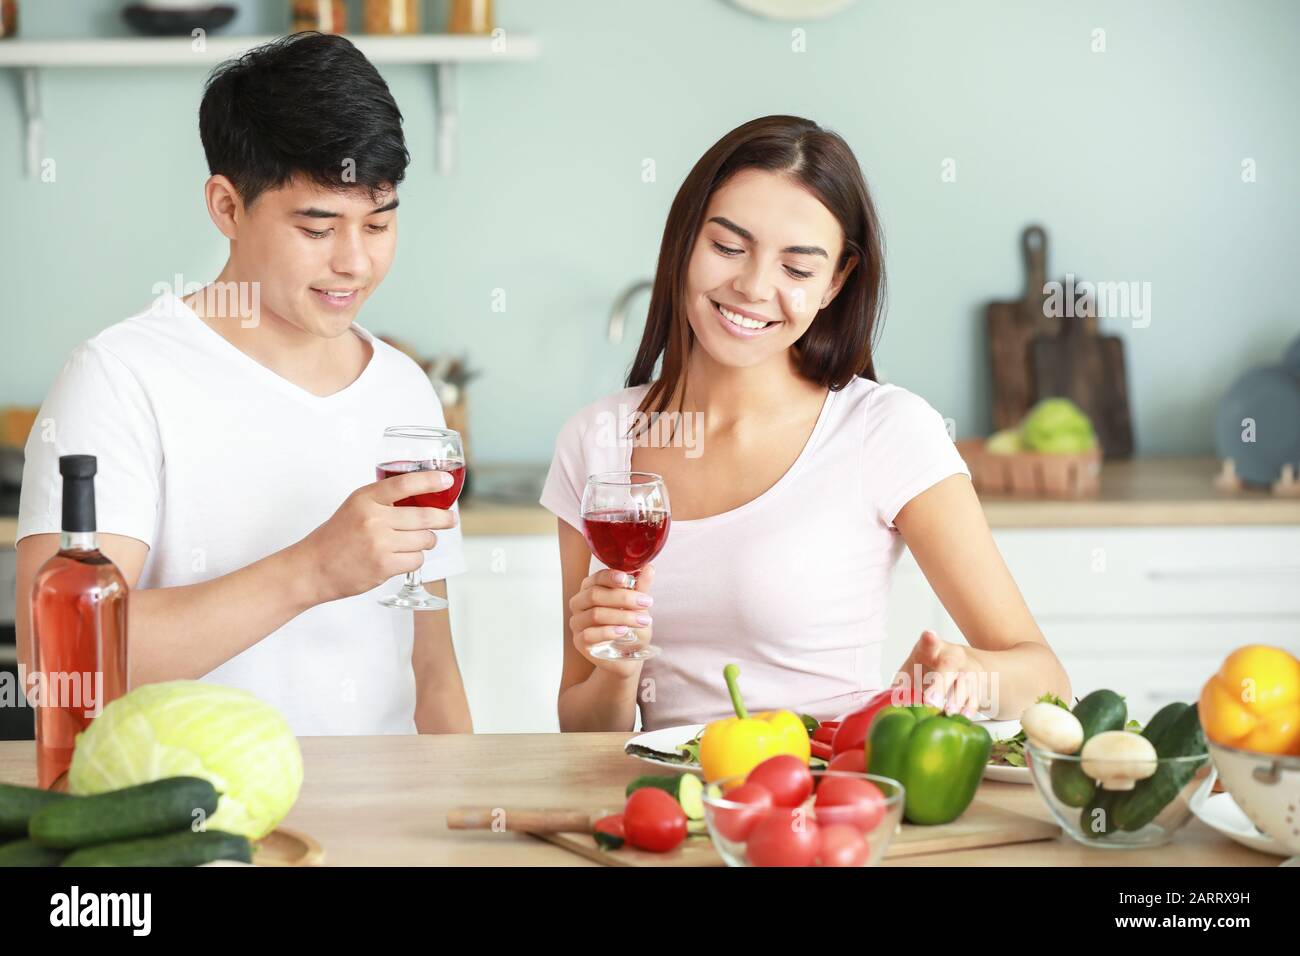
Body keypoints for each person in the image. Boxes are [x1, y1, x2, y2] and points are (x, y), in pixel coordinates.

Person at [542, 115, 1071, 732]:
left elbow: (1047, 681)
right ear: (685, 240)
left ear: (835, 283)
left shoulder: (886, 430)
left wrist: (970, 673)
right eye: (728, 248)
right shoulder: (597, 441)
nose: (753, 287)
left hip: (833, 798)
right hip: (672, 810)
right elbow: (581, 732)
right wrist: (617, 667)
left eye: (797, 269)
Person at [15, 33, 472, 736]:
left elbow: (432, 669)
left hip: (384, 830)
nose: (355, 262)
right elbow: (62, 656)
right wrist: (311, 571)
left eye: (378, 223)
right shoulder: (120, 378)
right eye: (318, 228)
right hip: (190, 827)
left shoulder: (405, 392)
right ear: (227, 207)